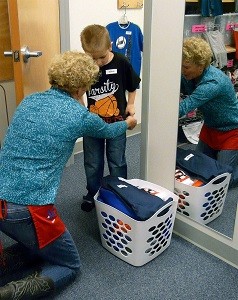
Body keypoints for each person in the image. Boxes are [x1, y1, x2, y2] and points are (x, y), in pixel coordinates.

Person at [0, 51, 137, 299]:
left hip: (2, 199)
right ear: (82, 87)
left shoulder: (28, 101)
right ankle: (9, 294)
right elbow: (109, 130)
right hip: (27, 209)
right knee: (70, 265)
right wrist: (127, 123)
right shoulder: (80, 116)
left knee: (36, 247)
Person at [80, 24, 141, 212]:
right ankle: (93, 193)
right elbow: (79, 89)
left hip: (117, 123)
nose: (97, 63)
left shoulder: (121, 62)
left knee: (117, 160)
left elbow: (133, 85)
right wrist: (83, 109)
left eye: (101, 57)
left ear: (110, 46)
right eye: (92, 58)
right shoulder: (84, 66)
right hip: (93, 124)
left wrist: (130, 104)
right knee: (92, 162)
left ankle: (119, 192)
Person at [179, 36, 238, 188]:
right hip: (210, 127)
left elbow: (185, 107)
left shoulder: (213, 83)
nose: (182, 70)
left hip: (231, 131)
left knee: (222, 182)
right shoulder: (189, 75)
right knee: (198, 171)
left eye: (186, 67)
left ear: (201, 66)